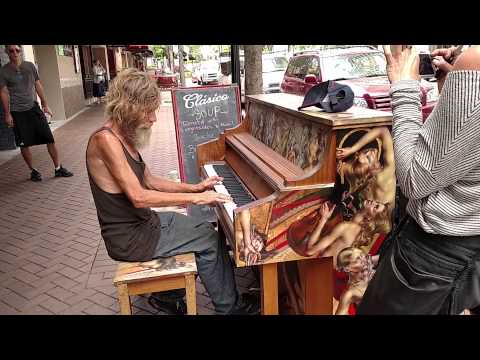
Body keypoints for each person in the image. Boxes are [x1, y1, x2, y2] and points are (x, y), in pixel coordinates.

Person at [86, 68, 250, 315]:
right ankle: (229, 308)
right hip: (130, 239)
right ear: (128, 106)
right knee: (207, 240)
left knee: (203, 229)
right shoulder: (105, 140)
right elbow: (139, 197)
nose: (153, 118)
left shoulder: (123, 136)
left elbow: (150, 180)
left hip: (144, 225)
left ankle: (168, 295)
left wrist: (195, 187)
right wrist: (196, 198)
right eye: (148, 111)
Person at [357, 45, 480, 315]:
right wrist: (452, 87)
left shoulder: (476, 60)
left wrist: (403, 87)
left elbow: (416, 179)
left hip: (436, 257)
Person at [0, 45, 73, 182]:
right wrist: (7, 113)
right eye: (11, 50)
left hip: (33, 108)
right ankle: (33, 171)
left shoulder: (30, 66)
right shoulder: (3, 71)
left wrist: (45, 104)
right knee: (23, 144)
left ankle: (58, 168)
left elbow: (38, 85)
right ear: (6, 52)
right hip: (17, 111)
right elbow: (3, 92)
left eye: (17, 50)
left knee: (49, 138)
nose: (15, 53)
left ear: (21, 51)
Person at [288, 200, 391, 266]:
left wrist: (323, 219)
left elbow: (309, 251)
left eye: (376, 207)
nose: (373, 202)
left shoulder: (346, 227)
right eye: (377, 202)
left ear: (370, 218)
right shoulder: (358, 231)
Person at [335, 247, 379, 315]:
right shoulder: (349, 293)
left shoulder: (368, 263)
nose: (364, 259)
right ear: (347, 269)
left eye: (362, 255)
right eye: (357, 259)